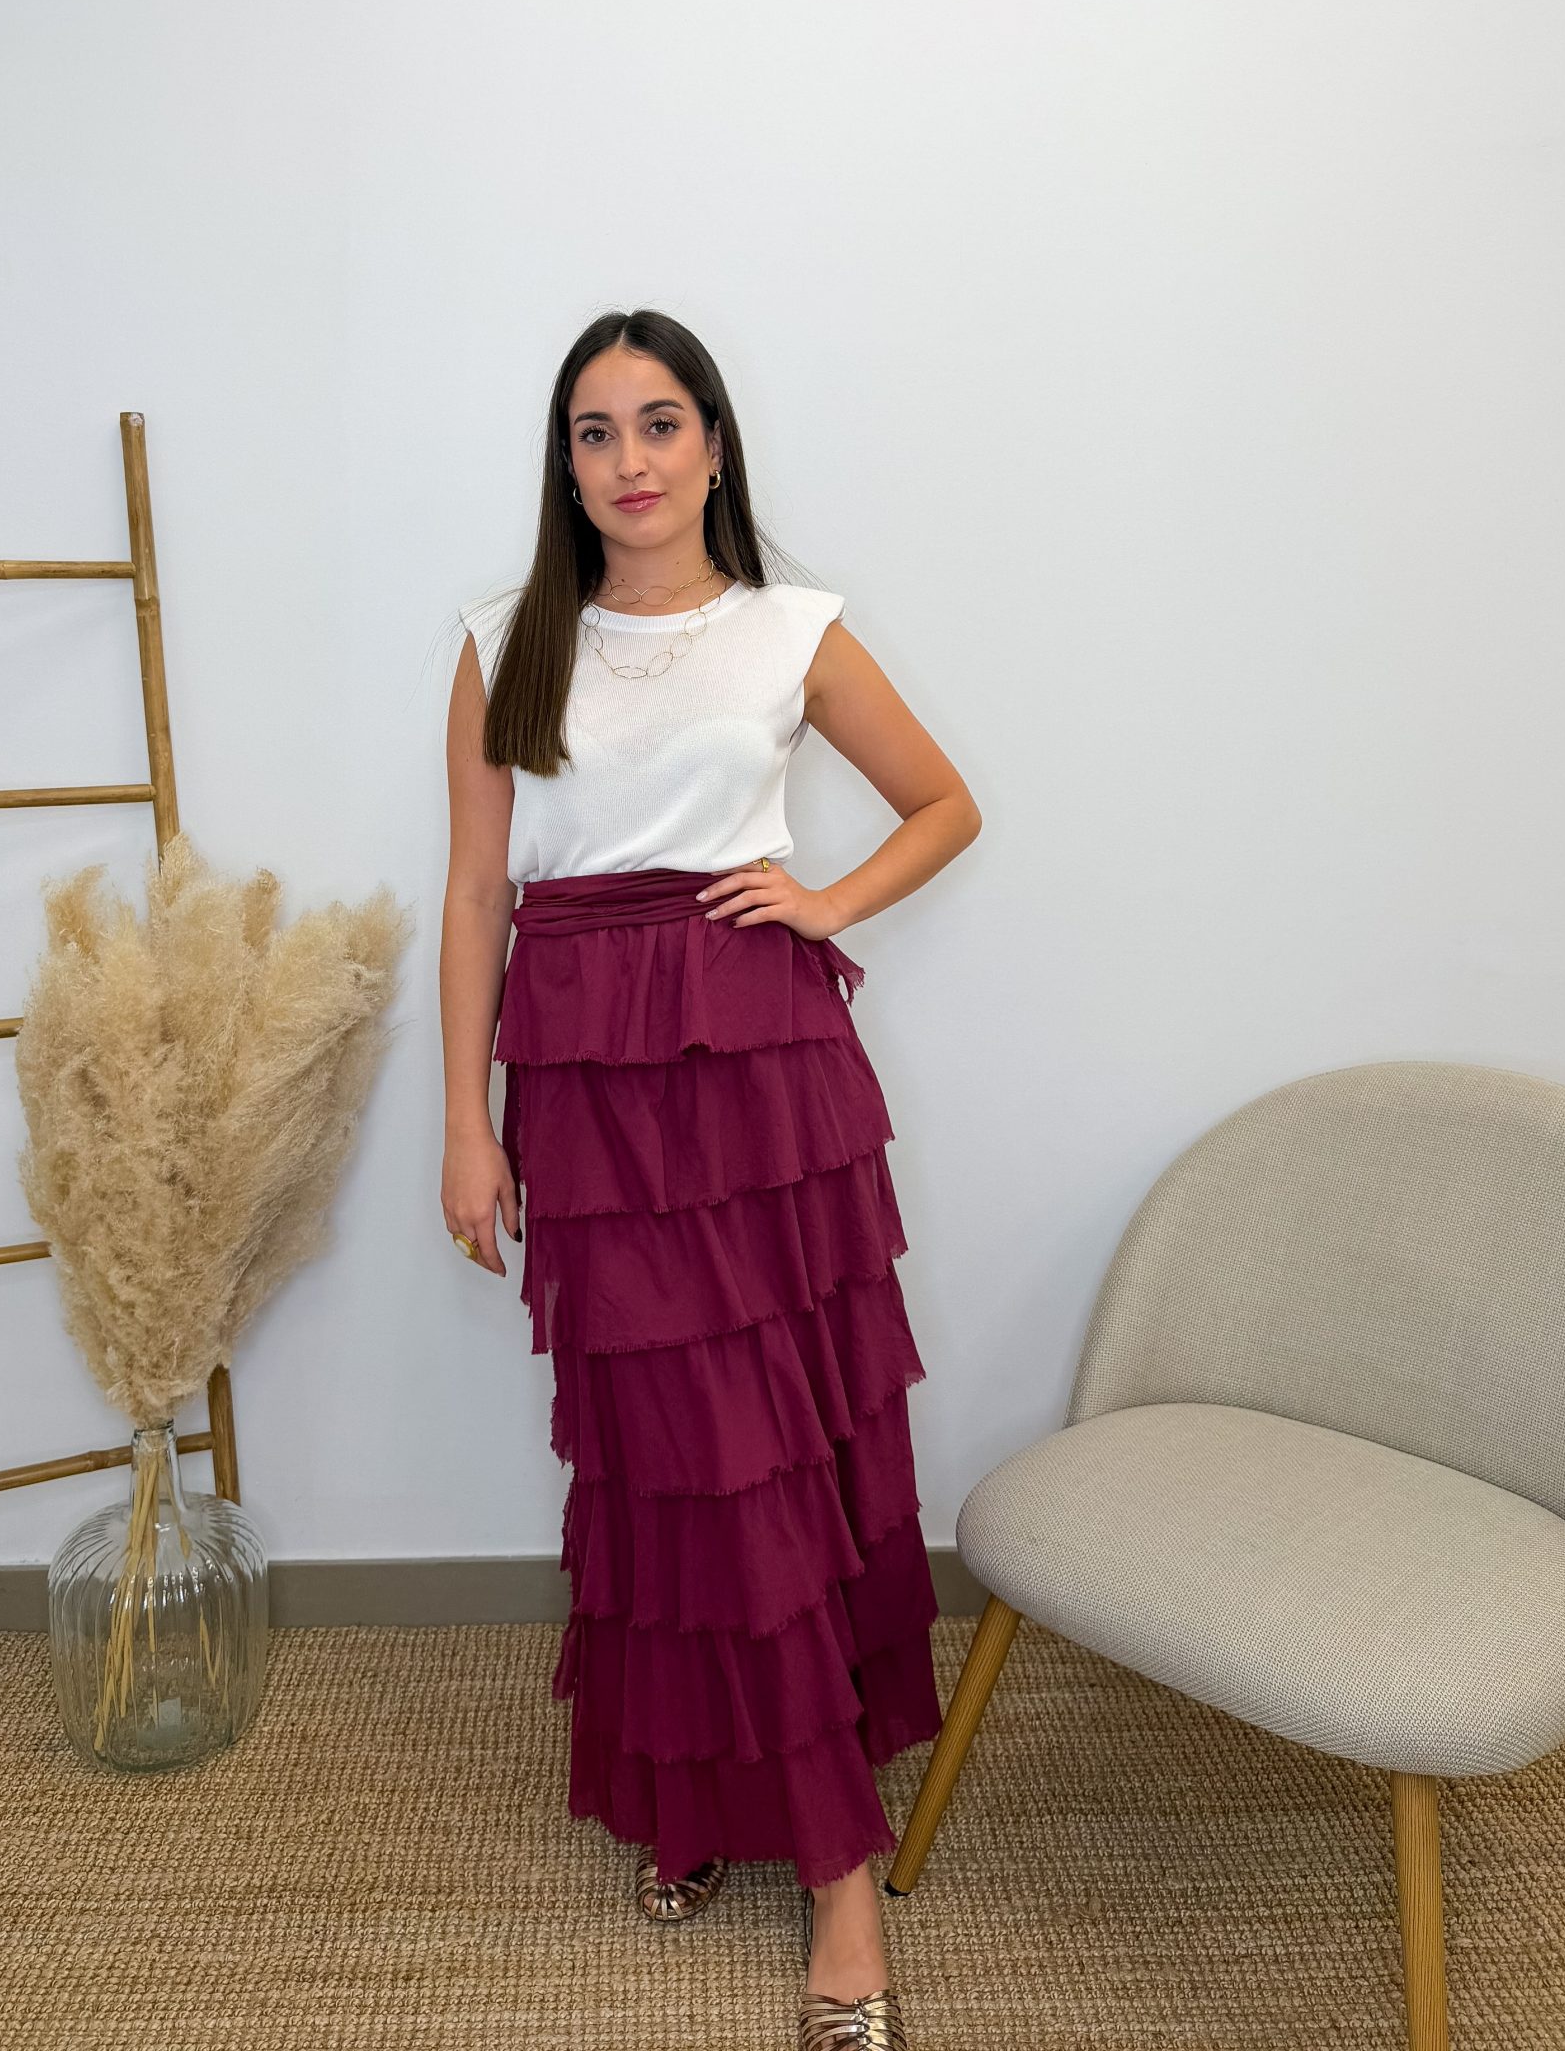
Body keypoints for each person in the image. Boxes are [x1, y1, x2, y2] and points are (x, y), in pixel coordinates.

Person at [440, 306, 981, 2048]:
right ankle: (703, 1785)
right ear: (567, 465)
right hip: (588, 1090)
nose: (632, 460)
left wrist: (822, 903)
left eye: (661, 422)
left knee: (778, 1454)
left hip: (762, 1079)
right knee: (666, 1462)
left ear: (715, 445)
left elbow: (944, 804)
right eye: (596, 432)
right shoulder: (507, 643)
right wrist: (466, 1121)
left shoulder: (789, 631)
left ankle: (835, 1869)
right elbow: (478, 895)